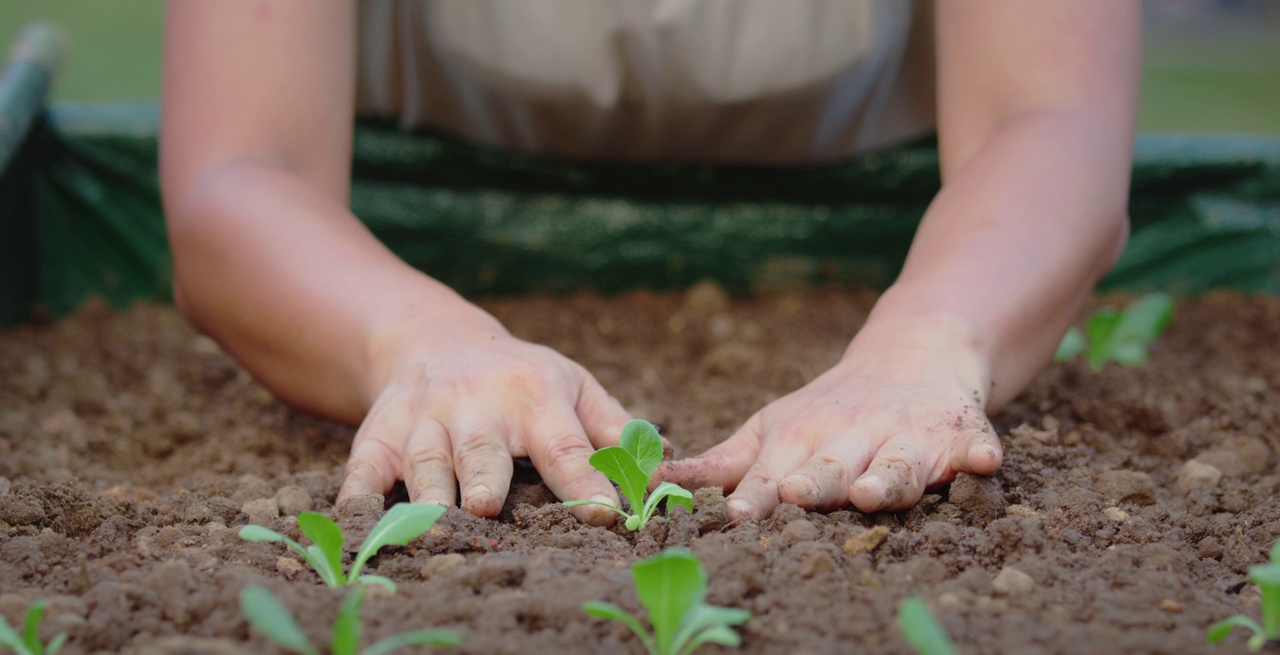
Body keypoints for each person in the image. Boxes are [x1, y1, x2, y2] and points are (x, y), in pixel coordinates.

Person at [159, 1, 1140, 525]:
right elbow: (240, 168)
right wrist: (417, 337)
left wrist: (926, 342)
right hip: (393, 255)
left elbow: (1048, 113)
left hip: (896, 244)